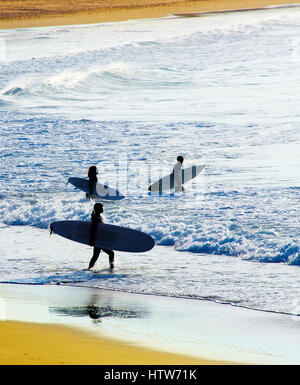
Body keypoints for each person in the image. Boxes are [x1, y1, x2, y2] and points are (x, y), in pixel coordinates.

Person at [88, 203, 115, 270]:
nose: (102, 209)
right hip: (98, 240)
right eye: (101, 208)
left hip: (99, 239)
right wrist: (92, 240)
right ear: (98, 209)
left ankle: (89, 268)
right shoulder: (96, 218)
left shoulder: (97, 216)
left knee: (95, 256)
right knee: (111, 253)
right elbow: (93, 229)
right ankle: (111, 268)